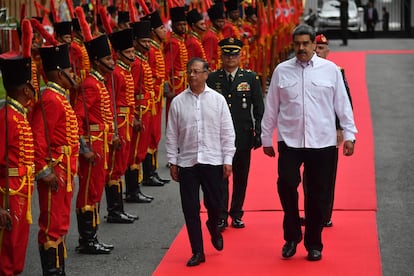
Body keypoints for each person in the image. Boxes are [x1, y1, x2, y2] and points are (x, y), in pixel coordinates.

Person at [261, 24, 357, 261]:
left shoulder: (330, 70)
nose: (301, 48)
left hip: (322, 142)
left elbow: (341, 104)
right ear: (292, 45)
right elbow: (272, 106)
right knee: (286, 184)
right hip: (290, 141)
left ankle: (314, 243)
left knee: (317, 195)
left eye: (306, 43)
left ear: (314, 44)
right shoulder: (282, 71)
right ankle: (292, 235)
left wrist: (349, 134)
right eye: (297, 44)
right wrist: (266, 137)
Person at [165, 58, 236, 267]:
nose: (192, 76)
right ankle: (197, 251)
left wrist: (228, 159)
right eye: (190, 72)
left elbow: (227, 131)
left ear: (206, 74)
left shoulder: (217, 100)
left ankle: (214, 227)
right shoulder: (178, 101)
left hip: (212, 160)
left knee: (215, 204)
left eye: (197, 72)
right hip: (187, 162)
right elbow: (171, 134)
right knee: (190, 208)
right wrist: (172, 161)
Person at [31, 42, 80, 274]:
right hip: (55, 170)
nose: (74, 75)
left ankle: (59, 270)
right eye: (71, 71)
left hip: (64, 169)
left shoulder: (59, 96)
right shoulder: (50, 99)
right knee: (51, 225)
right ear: (60, 74)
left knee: (60, 223)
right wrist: (44, 171)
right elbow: (38, 139)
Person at [206, 38, 264, 231]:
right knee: (221, 176)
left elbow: (259, 106)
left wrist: (259, 131)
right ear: (221, 56)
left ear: (240, 56)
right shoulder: (213, 79)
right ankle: (221, 215)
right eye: (227, 55)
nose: (230, 58)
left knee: (241, 176)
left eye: (234, 54)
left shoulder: (250, 78)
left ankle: (237, 213)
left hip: (243, 134)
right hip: (219, 136)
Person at [73, 7, 118, 254]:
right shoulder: (90, 85)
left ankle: (93, 236)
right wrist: (85, 147)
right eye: (109, 59)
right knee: (89, 191)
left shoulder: (98, 82)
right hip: (92, 148)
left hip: (102, 145)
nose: (112, 62)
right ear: (98, 61)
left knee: (96, 189)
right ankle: (87, 240)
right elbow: (78, 117)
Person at [300, 34, 353, 228]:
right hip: (306, 132)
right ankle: (311, 213)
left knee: (325, 177)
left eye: (322, 48)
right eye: (317, 48)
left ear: (327, 51)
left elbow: (344, 103)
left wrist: (341, 128)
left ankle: (325, 214)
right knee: (308, 177)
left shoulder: (335, 72)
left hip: (328, 131)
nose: (318, 51)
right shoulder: (301, 71)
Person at [0, 19, 36, 275]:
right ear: (25, 89)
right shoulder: (6, 118)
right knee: (8, 247)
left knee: (19, 243)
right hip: (8, 194)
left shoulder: (19, 113)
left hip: (21, 190)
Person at [104, 27, 140, 223]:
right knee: (115, 167)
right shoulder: (116, 74)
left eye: (133, 51)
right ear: (117, 54)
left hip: (126, 122)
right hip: (119, 123)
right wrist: (113, 130)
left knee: (121, 164)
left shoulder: (124, 72)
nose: (132, 56)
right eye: (127, 53)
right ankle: (114, 210)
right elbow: (110, 102)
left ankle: (119, 208)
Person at [164, 6, 189, 125]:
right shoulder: (173, 43)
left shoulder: (180, 41)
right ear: (173, 26)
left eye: (184, 24)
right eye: (180, 24)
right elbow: (166, 66)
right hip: (176, 85)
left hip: (183, 83)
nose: (183, 27)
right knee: (175, 116)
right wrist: (167, 89)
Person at [203, 2, 226, 71]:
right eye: (219, 22)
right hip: (214, 69)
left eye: (223, 21)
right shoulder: (211, 36)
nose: (221, 24)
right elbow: (207, 58)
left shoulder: (219, 34)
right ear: (213, 22)